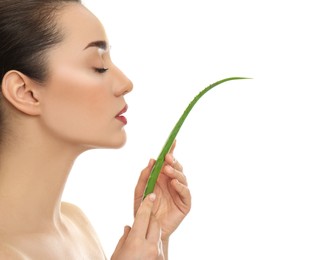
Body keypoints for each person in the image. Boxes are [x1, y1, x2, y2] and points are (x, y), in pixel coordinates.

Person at [0, 0, 191, 259]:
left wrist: (155, 238)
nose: (125, 83)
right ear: (26, 92)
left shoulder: (78, 226)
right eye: (99, 67)